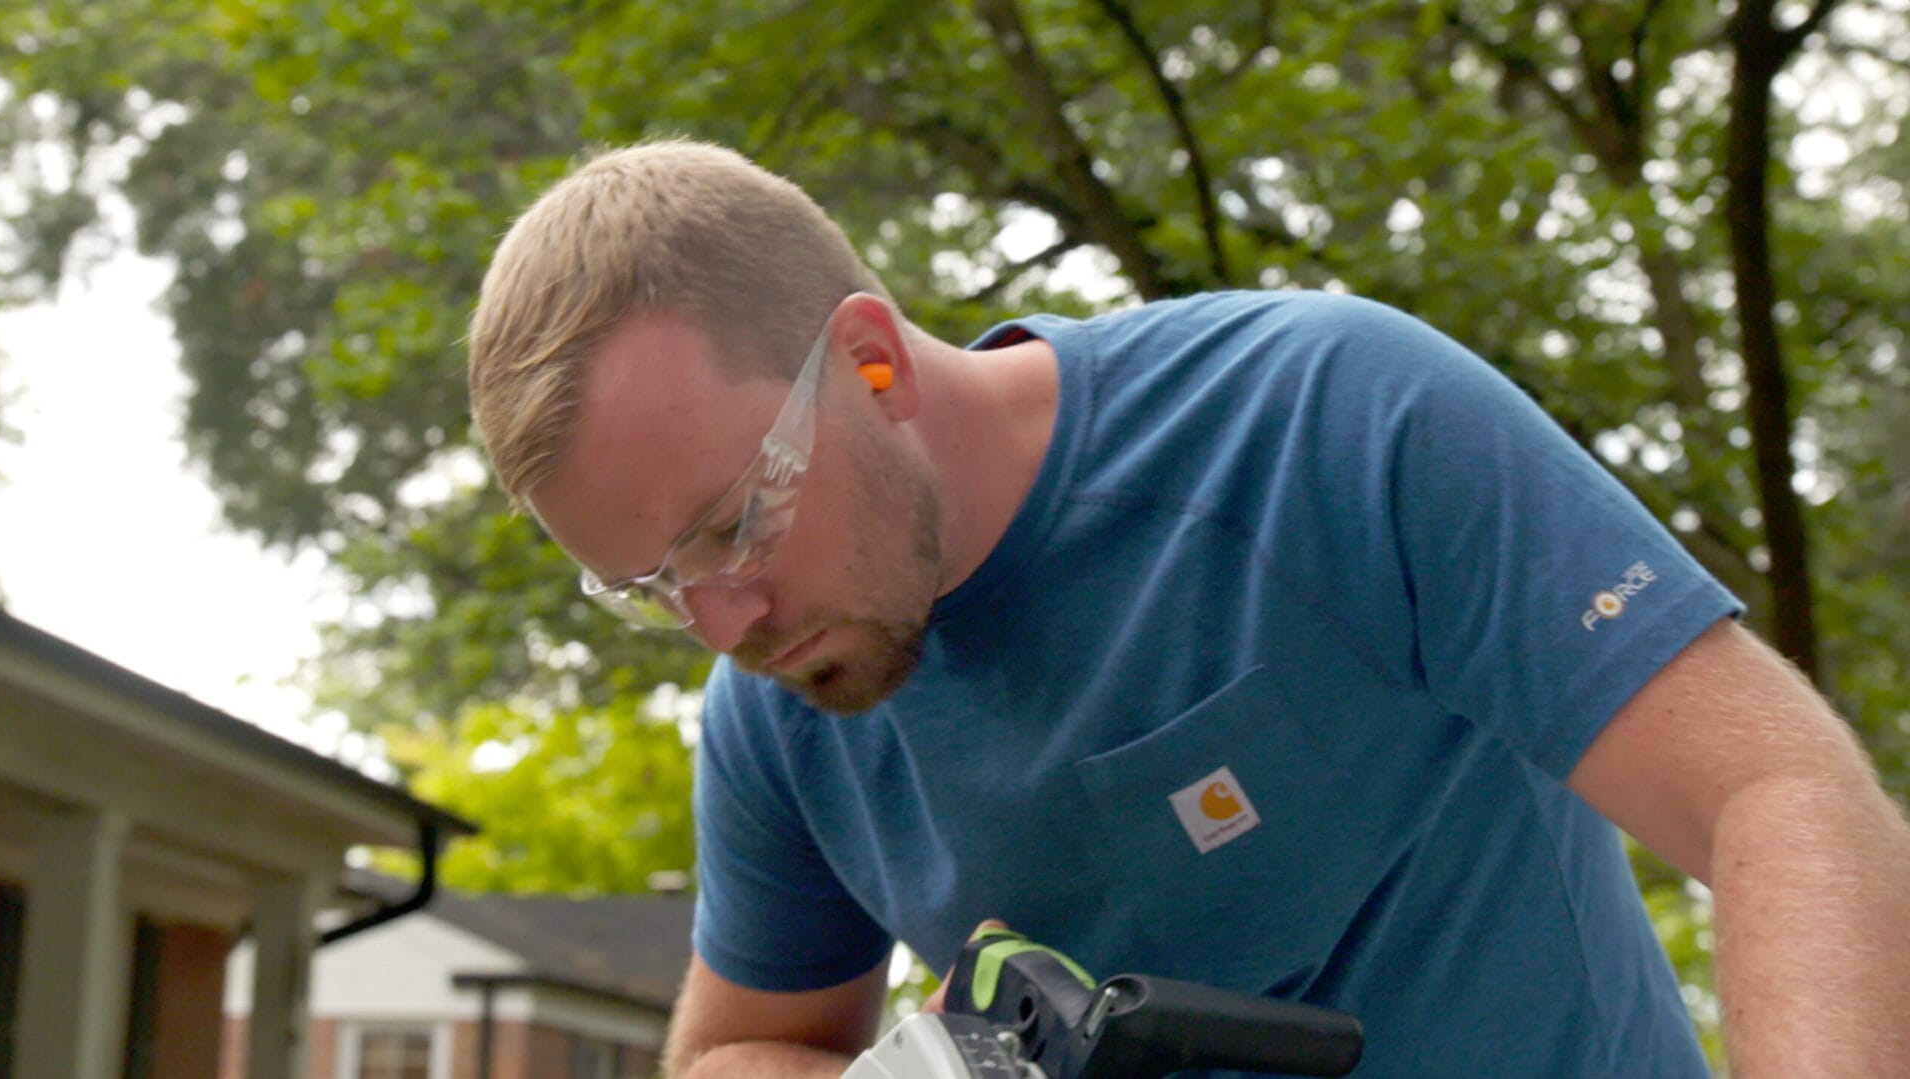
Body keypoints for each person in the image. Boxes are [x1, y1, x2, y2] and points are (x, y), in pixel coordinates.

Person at [466, 140, 1910, 1077]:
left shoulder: (1320, 420)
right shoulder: (781, 712)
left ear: (875, 367)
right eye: (654, 586)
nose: (725, 624)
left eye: (734, 523)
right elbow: (736, 1050)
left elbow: (1777, 794)